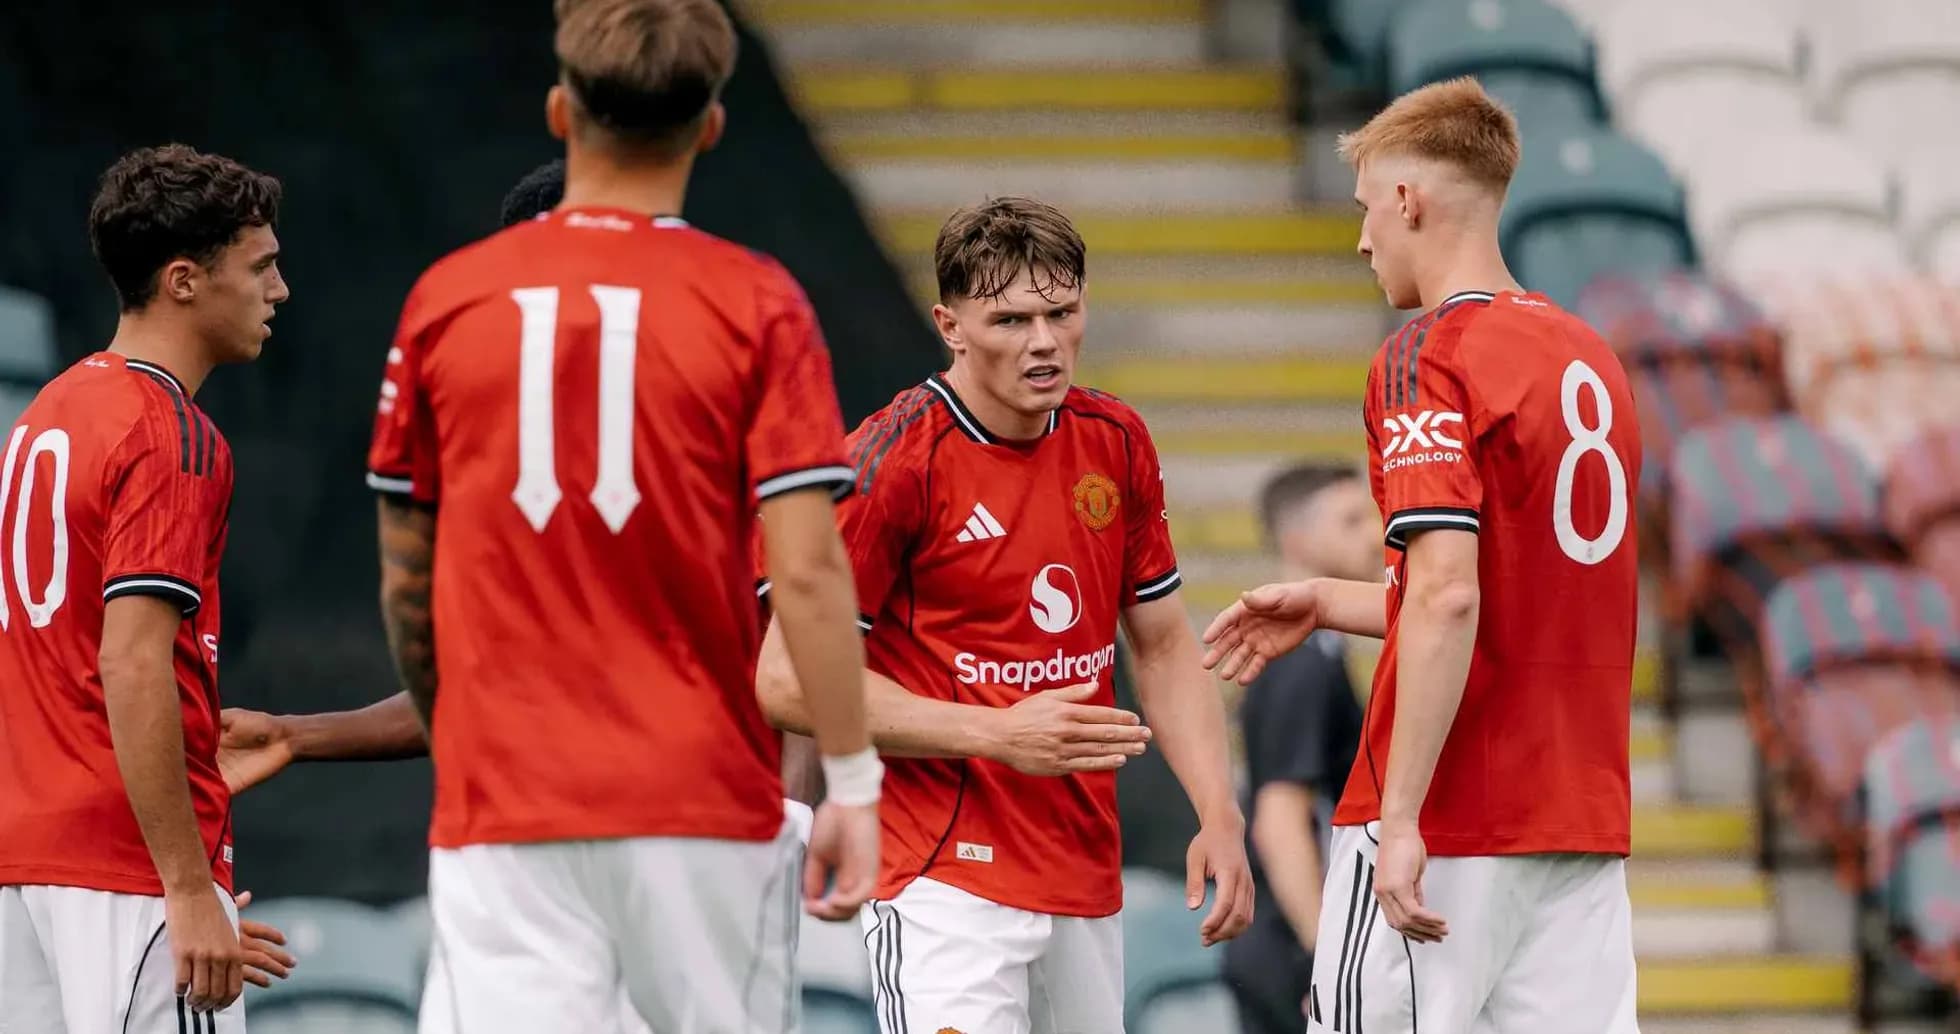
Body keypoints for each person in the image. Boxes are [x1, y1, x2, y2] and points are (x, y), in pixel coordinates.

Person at [370, 1, 883, 1029]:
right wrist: (855, 782)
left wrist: (459, 734)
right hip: (701, 798)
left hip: (508, 803)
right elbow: (813, 575)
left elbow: (406, 581)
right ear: (711, 127)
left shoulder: (446, 299)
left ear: (561, 112)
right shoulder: (757, 300)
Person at [1202, 77, 1642, 1034]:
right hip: (1579, 820)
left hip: (1454, 814)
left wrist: (1398, 817)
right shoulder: (1591, 359)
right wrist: (1328, 598)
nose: (1362, 241)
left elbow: (1448, 598)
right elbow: (1514, 597)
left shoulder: (1427, 354)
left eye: (1366, 210)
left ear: (1407, 201)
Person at [754, 195, 1255, 1034]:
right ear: (951, 325)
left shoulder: (1116, 438)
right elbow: (787, 681)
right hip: (940, 876)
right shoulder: (889, 462)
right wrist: (996, 734)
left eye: (1062, 312)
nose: (1045, 341)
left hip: (1082, 870)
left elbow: (1164, 646)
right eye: (1011, 319)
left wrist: (1218, 809)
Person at [0, 145, 297, 1033]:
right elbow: (130, 664)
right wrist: (186, 888)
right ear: (182, 281)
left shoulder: (43, 414)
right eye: (262, 266)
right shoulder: (171, 432)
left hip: (21, 866)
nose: (278, 291)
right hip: (124, 871)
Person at [1223, 464, 1376, 1034]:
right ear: (1297, 542)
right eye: (1351, 519)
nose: (1374, 532)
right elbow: (1280, 818)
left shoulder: (1322, 652)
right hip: (1293, 948)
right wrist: (1325, 960)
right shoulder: (1299, 661)